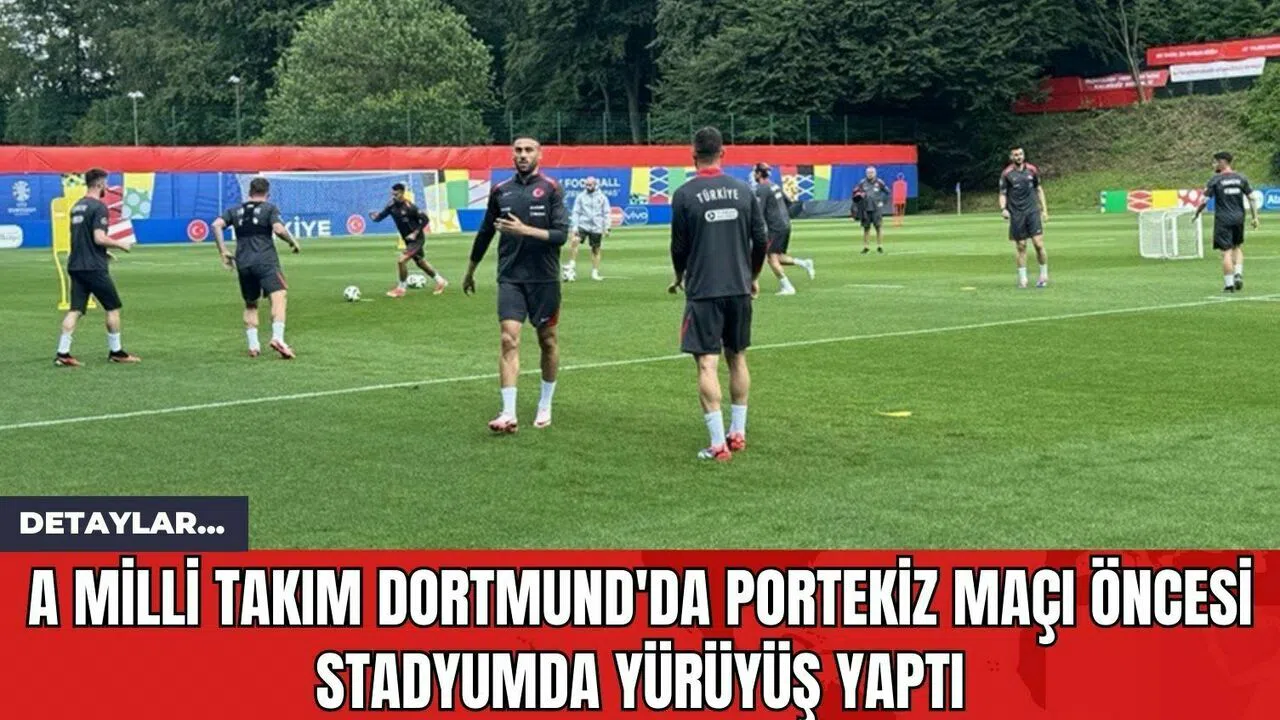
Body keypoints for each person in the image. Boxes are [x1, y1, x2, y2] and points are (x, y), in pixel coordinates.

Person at [669, 127, 768, 461]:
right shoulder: (743, 190)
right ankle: (738, 433)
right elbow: (761, 239)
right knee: (737, 357)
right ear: (723, 153)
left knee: (706, 363)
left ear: (693, 155)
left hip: (704, 290)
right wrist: (753, 276)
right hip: (738, 287)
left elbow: (678, 246)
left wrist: (679, 276)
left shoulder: (684, 194)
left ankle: (717, 444)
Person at [463, 137, 569, 433]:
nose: (523, 155)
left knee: (547, 340)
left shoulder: (551, 189)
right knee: (508, 339)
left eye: (528, 150)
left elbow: (561, 235)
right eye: (518, 150)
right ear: (512, 155)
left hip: (544, 279)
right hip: (510, 277)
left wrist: (524, 230)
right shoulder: (501, 190)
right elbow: (485, 232)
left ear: (539, 155)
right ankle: (508, 412)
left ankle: (545, 404)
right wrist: (470, 270)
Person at [54, 167, 140, 367]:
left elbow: (80, 237)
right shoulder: (99, 207)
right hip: (93, 267)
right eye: (106, 183)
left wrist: (103, 252)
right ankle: (116, 352)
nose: (107, 187)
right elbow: (99, 237)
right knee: (113, 307)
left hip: (76, 264)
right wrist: (121, 244)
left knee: (75, 309)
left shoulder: (77, 206)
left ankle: (62, 353)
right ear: (100, 184)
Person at [211, 176, 301, 359]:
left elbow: (216, 225)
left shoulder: (234, 210)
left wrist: (223, 250)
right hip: (265, 261)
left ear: (250, 192)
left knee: (251, 304)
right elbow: (278, 229)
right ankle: (278, 338)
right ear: (267, 193)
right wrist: (292, 241)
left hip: (243, 263)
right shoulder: (269, 208)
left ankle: (253, 345)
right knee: (279, 296)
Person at [1194, 151, 1259, 293]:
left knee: (1226, 252)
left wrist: (1197, 212)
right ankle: (1238, 273)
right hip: (1239, 218)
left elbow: (1205, 200)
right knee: (1237, 247)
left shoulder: (1216, 180)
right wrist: (1255, 217)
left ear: (1222, 162)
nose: (1214, 165)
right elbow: (1252, 198)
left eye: (1215, 162)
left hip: (1223, 219)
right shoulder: (1241, 178)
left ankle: (1229, 285)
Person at [369, 183, 447, 297]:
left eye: (395, 194)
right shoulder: (391, 205)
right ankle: (440, 281)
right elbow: (380, 216)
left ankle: (401, 289)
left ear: (402, 193)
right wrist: (375, 217)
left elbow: (425, 219)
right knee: (420, 262)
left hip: (417, 239)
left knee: (401, 261)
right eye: (392, 194)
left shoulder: (410, 207)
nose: (393, 196)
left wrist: (415, 233)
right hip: (408, 240)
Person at [752, 162, 814, 295]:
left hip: (775, 227)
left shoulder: (761, 189)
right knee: (778, 257)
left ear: (758, 173)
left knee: (771, 259)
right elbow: (789, 202)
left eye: (755, 172)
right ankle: (804, 263)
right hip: (785, 224)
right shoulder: (774, 185)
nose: (754, 175)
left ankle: (788, 287)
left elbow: (759, 211)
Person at [999, 148, 1049, 288]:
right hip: (1017, 213)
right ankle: (1023, 279)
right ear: (1011, 157)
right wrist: (1003, 209)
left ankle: (1043, 275)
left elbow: (1039, 189)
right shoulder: (1007, 174)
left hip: (1032, 211)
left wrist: (1044, 210)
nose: (1019, 157)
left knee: (1038, 244)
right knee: (1021, 246)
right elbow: (1002, 193)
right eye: (1016, 155)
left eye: (1020, 154)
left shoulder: (1032, 170)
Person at [564, 176, 611, 281]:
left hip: (597, 226)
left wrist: (607, 227)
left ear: (595, 185)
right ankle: (572, 264)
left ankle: (595, 272)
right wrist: (574, 226)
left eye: (590, 185)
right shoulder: (581, 197)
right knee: (575, 240)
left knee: (596, 249)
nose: (588, 187)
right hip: (583, 224)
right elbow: (576, 212)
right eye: (586, 185)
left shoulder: (602, 197)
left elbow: (606, 213)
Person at [852, 166, 889, 254]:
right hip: (865, 208)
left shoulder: (879, 182)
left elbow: (887, 192)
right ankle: (866, 247)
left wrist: (882, 202)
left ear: (875, 173)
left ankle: (880, 246)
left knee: (878, 227)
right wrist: (858, 195)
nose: (870, 174)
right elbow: (855, 192)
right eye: (868, 173)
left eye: (872, 172)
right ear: (866, 173)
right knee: (866, 228)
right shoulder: (862, 182)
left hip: (876, 209)